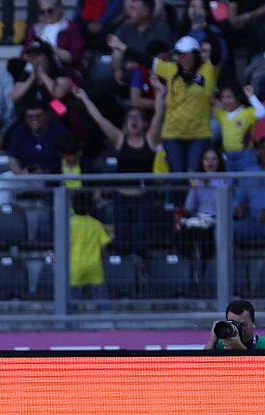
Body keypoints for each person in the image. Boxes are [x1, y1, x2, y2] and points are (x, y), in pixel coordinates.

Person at [73, 80, 164, 254]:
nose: (134, 120)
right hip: (121, 199)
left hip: (143, 198)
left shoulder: (150, 139)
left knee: (140, 243)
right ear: (126, 122)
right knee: (121, 243)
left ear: (144, 123)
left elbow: (159, 115)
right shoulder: (119, 138)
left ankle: (141, 276)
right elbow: (100, 119)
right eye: (131, 117)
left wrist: (159, 91)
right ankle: (124, 275)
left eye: (138, 117)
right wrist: (84, 98)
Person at [109, 34, 218, 173]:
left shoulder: (207, 70)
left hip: (199, 134)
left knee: (193, 177)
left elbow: (204, 83)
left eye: (187, 54)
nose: (183, 57)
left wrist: (189, 74)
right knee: (177, 179)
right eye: (180, 54)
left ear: (195, 54)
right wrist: (121, 45)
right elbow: (146, 60)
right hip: (172, 134)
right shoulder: (170, 69)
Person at [0, 101, 67, 207]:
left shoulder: (58, 131)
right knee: (3, 180)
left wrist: (45, 172)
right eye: (30, 117)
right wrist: (21, 173)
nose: (34, 119)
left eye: (38, 116)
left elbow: (66, 160)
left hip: (52, 178)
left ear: (47, 115)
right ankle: (2, 217)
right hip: (27, 176)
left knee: (65, 185)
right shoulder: (20, 131)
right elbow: (13, 158)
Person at [20, 0, 85, 85]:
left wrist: (50, 49)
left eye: (50, 11)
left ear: (59, 9)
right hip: (35, 70)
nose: (46, 14)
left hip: (62, 71)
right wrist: (33, 57)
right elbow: (23, 53)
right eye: (42, 12)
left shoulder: (71, 28)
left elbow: (74, 57)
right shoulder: (35, 28)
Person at [69, 190, 112, 301]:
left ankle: (70, 318)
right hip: (94, 266)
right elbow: (104, 245)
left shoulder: (69, 224)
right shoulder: (96, 224)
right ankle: (106, 317)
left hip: (75, 266)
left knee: (73, 297)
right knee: (101, 296)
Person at [214, 84, 265, 172]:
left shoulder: (246, 112)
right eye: (223, 97)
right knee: (231, 185)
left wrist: (251, 96)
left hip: (245, 155)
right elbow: (213, 104)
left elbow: (262, 112)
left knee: (246, 184)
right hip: (228, 156)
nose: (225, 100)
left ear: (238, 97)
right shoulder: (221, 114)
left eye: (229, 97)